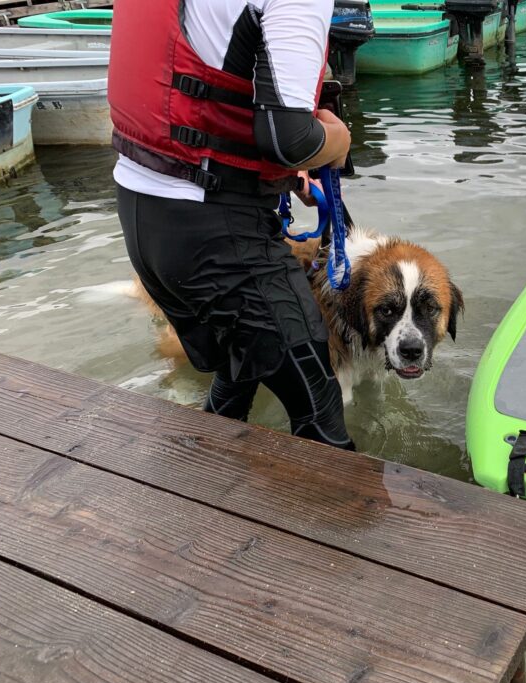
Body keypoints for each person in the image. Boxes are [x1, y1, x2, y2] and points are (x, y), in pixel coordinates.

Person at [108, 0, 356, 449]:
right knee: (318, 403)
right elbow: (290, 139)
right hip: (212, 229)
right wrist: (339, 141)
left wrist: (279, 174)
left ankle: (205, 486)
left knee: (239, 365)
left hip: (141, 211)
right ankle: (341, 519)